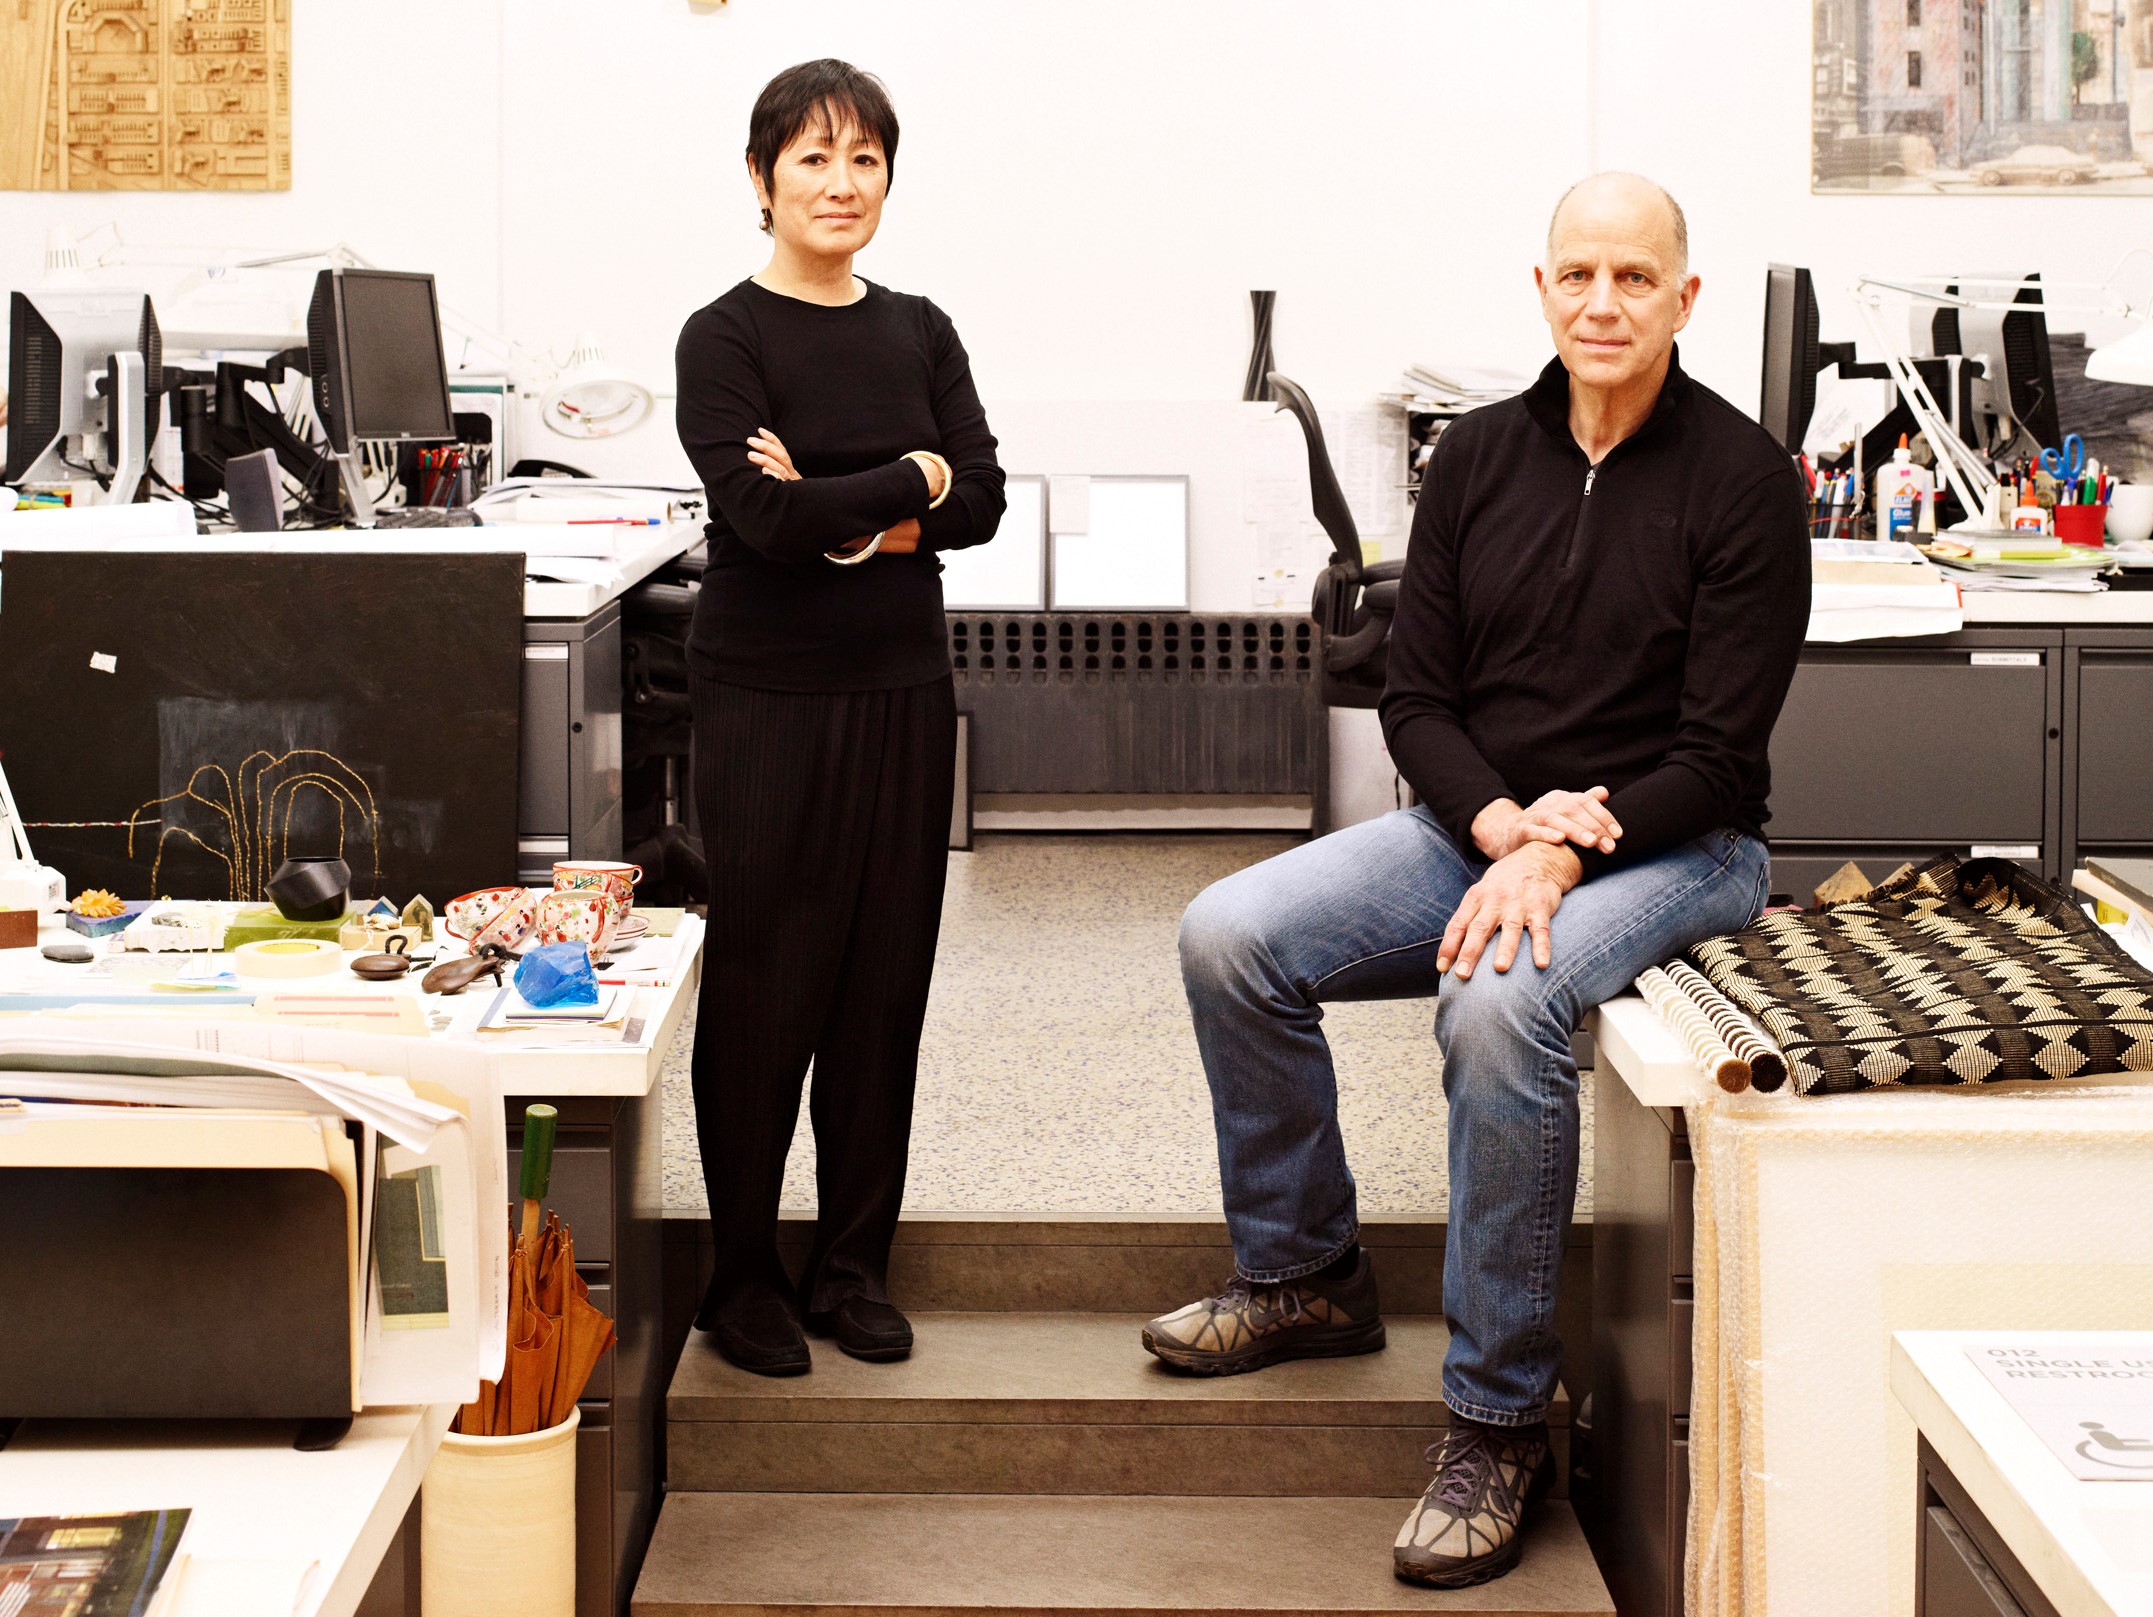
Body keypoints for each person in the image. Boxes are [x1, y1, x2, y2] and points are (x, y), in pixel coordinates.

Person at [1143, 173, 1808, 1588]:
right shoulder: (1480, 463)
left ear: (1683, 299)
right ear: (1540, 289)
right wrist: (1505, 822)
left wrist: (1574, 842)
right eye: (1578, 274)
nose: (1601, 302)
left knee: (1498, 1009)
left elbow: (1717, 747)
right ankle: (1305, 1271)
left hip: (1683, 848)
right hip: (1487, 827)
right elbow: (1415, 696)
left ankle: (1500, 1416)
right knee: (1228, 934)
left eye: (1634, 278)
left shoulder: (1744, 483)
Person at [675, 58, 1005, 1377]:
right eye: (812, 158)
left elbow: (981, 496)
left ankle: (852, 1264)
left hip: (901, 690)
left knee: (882, 982)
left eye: (862, 158)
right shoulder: (726, 336)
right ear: (762, 180)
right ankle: (742, 1270)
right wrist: (904, 479)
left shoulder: (918, 325)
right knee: (767, 983)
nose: (839, 183)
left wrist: (850, 501)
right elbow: (758, 516)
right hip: (764, 694)